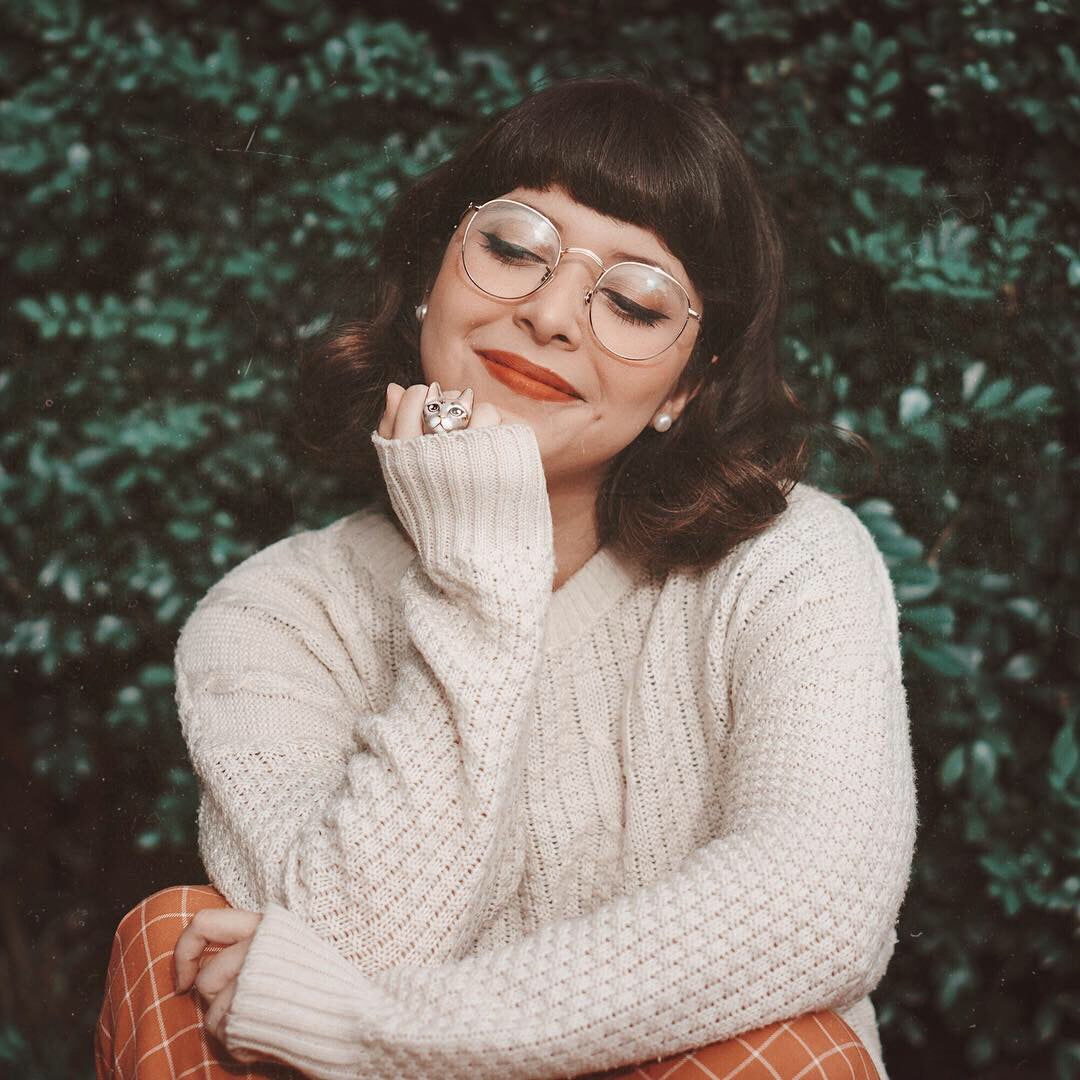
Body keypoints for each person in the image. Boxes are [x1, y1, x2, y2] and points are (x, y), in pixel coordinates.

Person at [95, 75, 916, 1079]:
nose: (553, 316)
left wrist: (372, 1033)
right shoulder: (277, 615)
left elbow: (818, 911)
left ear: (686, 388)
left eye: (635, 301)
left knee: (797, 1042)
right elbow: (349, 954)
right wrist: (478, 575)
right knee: (173, 941)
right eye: (516, 249)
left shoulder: (791, 560)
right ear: (432, 276)